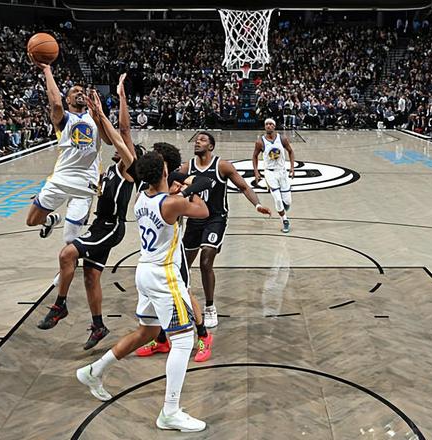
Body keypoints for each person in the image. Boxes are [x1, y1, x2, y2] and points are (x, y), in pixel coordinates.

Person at [76, 151, 209, 433]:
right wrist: (190, 189)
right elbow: (202, 211)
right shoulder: (172, 203)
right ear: (165, 173)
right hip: (164, 275)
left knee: (147, 332)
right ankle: (170, 412)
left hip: (145, 271)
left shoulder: (140, 197)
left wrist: (178, 190)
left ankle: (93, 371)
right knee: (183, 340)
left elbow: (166, 199)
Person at [37, 85, 136, 350]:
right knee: (91, 277)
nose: (117, 145)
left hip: (111, 227)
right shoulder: (107, 171)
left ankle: (60, 305)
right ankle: (98, 325)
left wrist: (116, 102)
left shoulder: (128, 169)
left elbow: (124, 132)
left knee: (67, 254)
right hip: (100, 225)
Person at [179, 132, 271, 327]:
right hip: (194, 219)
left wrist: (257, 205)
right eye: (197, 140)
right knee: (182, 266)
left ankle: (210, 307)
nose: (197, 142)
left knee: (206, 261)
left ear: (211, 146)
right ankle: (182, 302)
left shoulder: (222, 166)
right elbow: (173, 184)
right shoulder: (187, 167)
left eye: (203, 140)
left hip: (216, 219)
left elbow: (244, 187)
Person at [24, 55, 111, 245]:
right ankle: (50, 221)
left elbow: (108, 141)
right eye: (75, 91)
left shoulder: (94, 118)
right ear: (68, 99)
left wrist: (99, 115)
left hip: (85, 183)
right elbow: (55, 103)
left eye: (82, 91)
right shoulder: (63, 119)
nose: (80, 93)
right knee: (31, 221)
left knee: (70, 240)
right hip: (61, 178)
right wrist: (47, 70)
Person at [252, 118, 295, 233]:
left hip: (282, 171)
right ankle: (285, 220)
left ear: (274, 126)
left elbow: (291, 151)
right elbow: (254, 156)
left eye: (271, 124)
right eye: (266, 124)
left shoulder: (282, 139)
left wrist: (292, 167)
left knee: (287, 202)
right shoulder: (260, 142)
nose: (268, 126)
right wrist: (256, 171)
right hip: (270, 172)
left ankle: (282, 210)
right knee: (278, 200)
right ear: (264, 126)